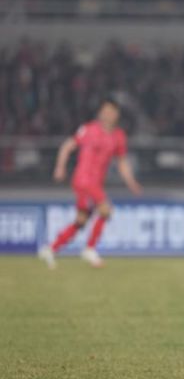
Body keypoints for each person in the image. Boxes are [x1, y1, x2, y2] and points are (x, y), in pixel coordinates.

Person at [38, 99, 142, 269]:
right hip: (83, 179)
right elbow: (67, 146)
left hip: (96, 183)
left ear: (117, 115)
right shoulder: (88, 130)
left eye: (112, 112)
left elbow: (122, 162)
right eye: (105, 111)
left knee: (81, 220)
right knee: (106, 209)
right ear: (100, 113)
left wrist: (131, 182)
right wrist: (60, 167)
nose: (108, 115)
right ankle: (90, 249)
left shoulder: (118, 136)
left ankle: (50, 249)